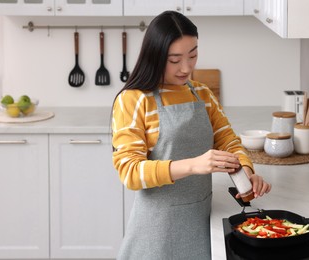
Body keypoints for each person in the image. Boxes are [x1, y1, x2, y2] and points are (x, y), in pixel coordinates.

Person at [111, 10, 272, 260]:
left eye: (193, 55)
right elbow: (129, 172)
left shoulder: (202, 94)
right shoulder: (133, 100)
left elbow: (228, 141)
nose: (186, 68)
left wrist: (246, 173)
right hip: (156, 230)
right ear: (155, 56)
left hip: (202, 220)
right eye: (174, 60)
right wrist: (194, 165)